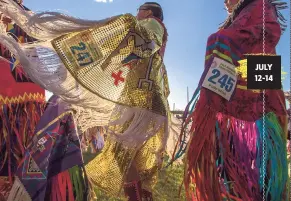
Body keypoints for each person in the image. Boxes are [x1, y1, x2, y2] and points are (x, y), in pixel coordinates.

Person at [0, 1, 170, 200]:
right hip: (140, 101)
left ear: (148, 12)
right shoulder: (154, 41)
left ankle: (138, 197)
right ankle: (138, 196)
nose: (136, 14)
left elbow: (143, 40)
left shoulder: (153, 24)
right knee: (128, 157)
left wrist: (119, 28)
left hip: (142, 103)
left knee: (127, 156)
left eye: (139, 11)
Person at [173, 0, 288, 200]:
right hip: (251, 94)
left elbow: (266, 38)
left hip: (259, 104)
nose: (225, 1)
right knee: (231, 172)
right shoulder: (244, 13)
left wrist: (219, 39)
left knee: (256, 176)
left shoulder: (260, 5)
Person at [0, 1, 46, 200]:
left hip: (23, 94)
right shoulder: (29, 16)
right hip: (23, 90)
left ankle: (18, 188)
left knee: (19, 142)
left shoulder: (28, 17)